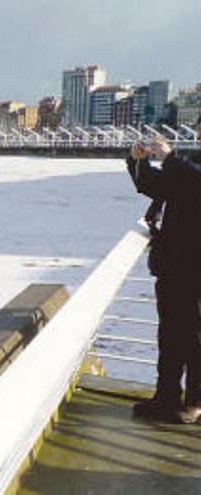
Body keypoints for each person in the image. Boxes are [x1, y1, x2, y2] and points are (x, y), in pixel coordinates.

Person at [127, 119, 201, 423]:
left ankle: (195, 403)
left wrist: (170, 158)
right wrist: (137, 161)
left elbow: (194, 182)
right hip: (173, 264)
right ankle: (166, 397)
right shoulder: (191, 161)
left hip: (195, 267)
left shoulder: (187, 165)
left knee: (195, 337)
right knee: (170, 335)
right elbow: (154, 185)